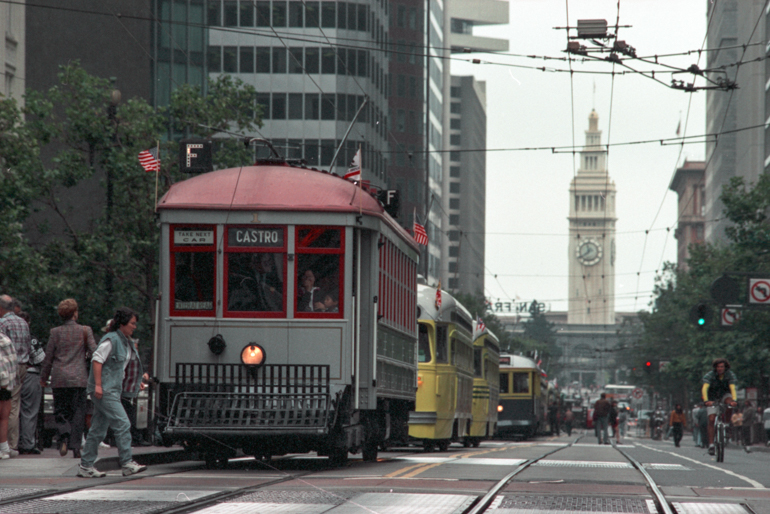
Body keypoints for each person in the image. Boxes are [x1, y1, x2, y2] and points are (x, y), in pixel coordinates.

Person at [78, 307, 146, 478]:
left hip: (112, 390)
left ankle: (85, 466)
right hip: (106, 391)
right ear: (122, 323)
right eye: (132, 323)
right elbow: (97, 359)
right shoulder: (112, 340)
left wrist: (137, 383)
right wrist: (98, 385)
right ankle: (127, 463)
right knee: (123, 424)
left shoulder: (125, 342)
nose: (134, 326)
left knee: (98, 430)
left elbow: (124, 369)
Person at [39, 299, 96, 459]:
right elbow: (94, 351)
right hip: (79, 378)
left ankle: (63, 437)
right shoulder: (85, 330)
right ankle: (76, 447)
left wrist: (44, 377)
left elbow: (48, 357)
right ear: (75, 313)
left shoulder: (55, 332)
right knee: (79, 412)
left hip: (59, 378)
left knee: (61, 410)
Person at [0, 294, 31, 452]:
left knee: (7, 406)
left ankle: (8, 444)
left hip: (6, 367)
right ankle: (11, 443)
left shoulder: (3, 323)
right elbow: (28, 345)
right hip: (22, 365)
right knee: (14, 404)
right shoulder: (23, 322)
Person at [17, 312, 44, 454]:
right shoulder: (30, 339)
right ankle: (27, 443)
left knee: (14, 410)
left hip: (12, 374)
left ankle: (12, 442)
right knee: (29, 410)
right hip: (30, 373)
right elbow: (40, 358)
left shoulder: (7, 337)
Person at [702, 358, 738, 456]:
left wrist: (734, 400)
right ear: (715, 367)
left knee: (729, 403)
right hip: (712, 398)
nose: (720, 369)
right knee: (711, 418)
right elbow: (705, 388)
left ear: (725, 367)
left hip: (725, 395)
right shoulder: (709, 375)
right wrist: (706, 401)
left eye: (722, 366)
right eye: (718, 367)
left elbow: (732, 388)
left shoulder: (730, 375)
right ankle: (711, 445)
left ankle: (726, 423)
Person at [0, 332, 19, 459]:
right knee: (4, 418)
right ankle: (4, 448)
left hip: (3, 382)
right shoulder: (4, 339)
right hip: (4, 384)